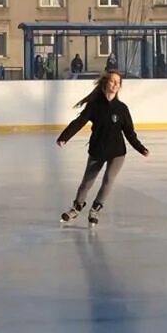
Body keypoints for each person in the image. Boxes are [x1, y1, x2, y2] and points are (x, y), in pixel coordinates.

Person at [56, 69, 150, 226]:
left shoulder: (122, 109)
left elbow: (129, 132)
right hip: (97, 150)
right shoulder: (94, 106)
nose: (115, 85)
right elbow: (79, 122)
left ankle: (95, 209)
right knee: (87, 182)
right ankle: (77, 207)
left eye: (118, 83)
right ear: (105, 83)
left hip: (117, 152)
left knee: (108, 181)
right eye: (112, 81)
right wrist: (64, 137)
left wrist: (140, 148)